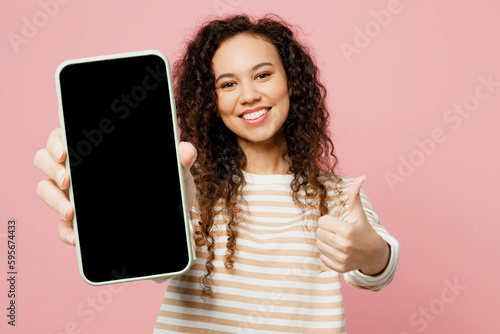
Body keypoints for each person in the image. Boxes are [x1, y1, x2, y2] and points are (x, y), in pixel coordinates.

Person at [34, 14, 400, 334]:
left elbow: (378, 268)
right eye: (227, 84)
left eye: (263, 74)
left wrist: (370, 252)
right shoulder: (189, 183)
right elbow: (157, 266)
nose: (249, 95)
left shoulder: (335, 193)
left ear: (292, 82)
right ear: (210, 102)